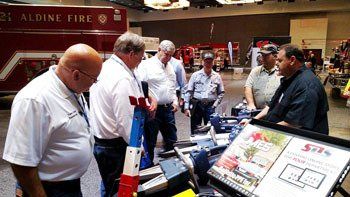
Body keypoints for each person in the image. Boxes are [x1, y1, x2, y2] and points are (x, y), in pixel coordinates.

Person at [2, 44, 102, 196]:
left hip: (69, 185)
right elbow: (21, 162)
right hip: (48, 189)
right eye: (93, 79)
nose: (93, 83)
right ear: (76, 74)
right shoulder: (35, 99)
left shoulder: (70, 86)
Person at [89, 32, 157, 197]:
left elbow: (135, 91)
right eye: (140, 58)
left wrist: (148, 99)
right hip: (118, 145)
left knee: (109, 186)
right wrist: (139, 149)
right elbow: (125, 119)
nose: (140, 62)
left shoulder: (109, 67)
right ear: (131, 54)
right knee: (121, 190)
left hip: (104, 142)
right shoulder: (121, 78)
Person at [254, 44, 329, 135]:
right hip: (276, 130)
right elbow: (271, 105)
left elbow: (293, 124)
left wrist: (262, 132)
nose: (276, 63)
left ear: (292, 60)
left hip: (296, 139)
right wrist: (254, 121)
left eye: (280, 60)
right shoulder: (289, 78)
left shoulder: (306, 85)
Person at [136, 40, 178, 163]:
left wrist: (175, 101)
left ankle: (172, 167)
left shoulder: (170, 66)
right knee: (150, 141)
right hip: (153, 110)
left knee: (172, 139)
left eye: (171, 55)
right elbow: (139, 87)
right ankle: (148, 168)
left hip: (168, 109)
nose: (169, 58)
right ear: (159, 50)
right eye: (167, 54)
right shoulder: (146, 65)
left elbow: (172, 86)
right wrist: (148, 105)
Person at [184, 51, 225, 134]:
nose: (208, 63)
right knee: (195, 128)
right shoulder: (195, 75)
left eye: (210, 61)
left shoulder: (217, 76)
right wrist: (186, 107)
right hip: (197, 106)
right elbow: (188, 92)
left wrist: (215, 104)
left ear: (213, 62)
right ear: (202, 61)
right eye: (206, 61)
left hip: (210, 106)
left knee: (210, 129)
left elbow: (221, 92)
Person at [244, 44, 281, 110]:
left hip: (275, 112)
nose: (262, 58)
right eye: (262, 55)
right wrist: (251, 104)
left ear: (275, 56)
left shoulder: (281, 72)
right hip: (257, 110)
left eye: (266, 56)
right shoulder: (255, 71)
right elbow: (248, 87)